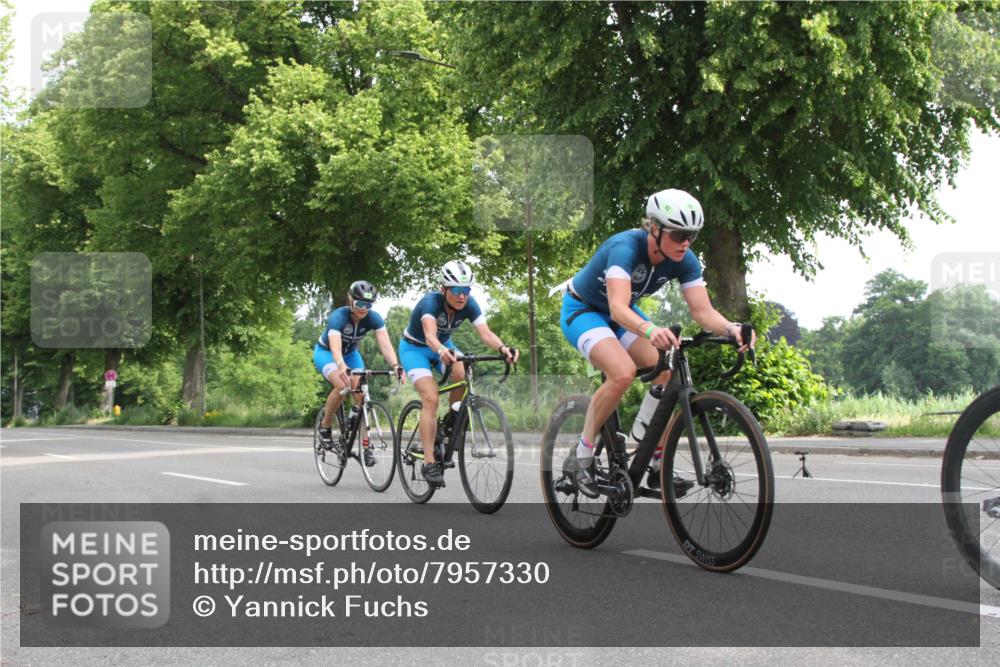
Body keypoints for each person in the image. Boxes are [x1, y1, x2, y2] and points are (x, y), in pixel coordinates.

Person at [558, 188, 755, 497]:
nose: (685, 242)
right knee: (622, 372)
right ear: (654, 227)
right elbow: (617, 308)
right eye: (678, 234)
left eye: (691, 235)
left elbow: (703, 311)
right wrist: (650, 330)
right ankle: (580, 456)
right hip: (585, 310)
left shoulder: (684, 258)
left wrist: (732, 329)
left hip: (621, 313)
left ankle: (654, 457)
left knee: (667, 366)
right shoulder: (625, 248)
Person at [398, 260, 520, 486]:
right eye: (456, 290)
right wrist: (442, 349)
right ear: (443, 289)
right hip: (415, 348)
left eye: (466, 290)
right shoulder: (430, 303)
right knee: (431, 398)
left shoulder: (469, 305)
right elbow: (430, 336)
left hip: (445, 347)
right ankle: (428, 462)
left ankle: (453, 416)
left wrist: (504, 348)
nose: (462, 296)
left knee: (462, 368)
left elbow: (485, 333)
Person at [313, 280, 405, 466]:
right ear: (350, 300)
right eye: (360, 304)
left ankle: (366, 447)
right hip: (327, 353)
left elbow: (385, 345)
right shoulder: (338, 318)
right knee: (343, 385)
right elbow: (336, 349)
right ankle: (325, 425)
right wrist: (341, 366)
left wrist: (396, 365)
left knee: (361, 397)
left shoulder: (374, 318)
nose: (364, 309)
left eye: (368, 305)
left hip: (351, 354)